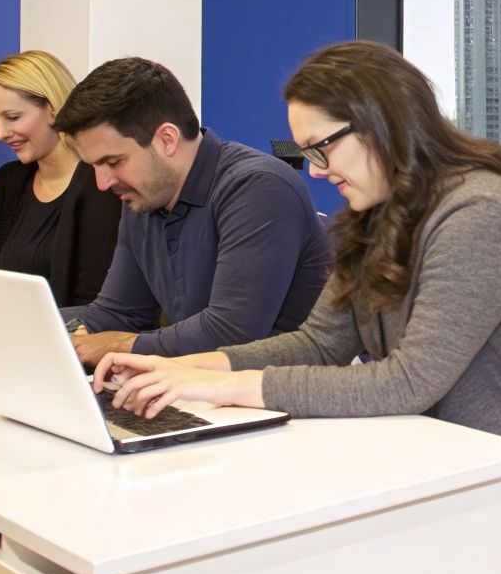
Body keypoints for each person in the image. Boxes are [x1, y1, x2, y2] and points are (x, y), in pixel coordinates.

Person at [94, 41, 501, 574]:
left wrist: (223, 388)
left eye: (321, 148)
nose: (315, 171)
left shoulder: (482, 213)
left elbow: (409, 383)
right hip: (457, 496)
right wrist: (186, 370)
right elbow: (319, 344)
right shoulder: (372, 217)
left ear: (383, 123)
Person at [52, 57, 331, 367]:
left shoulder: (259, 186)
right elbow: (118, 312)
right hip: (212, 393)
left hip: (291, 401)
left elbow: (231, 333)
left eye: (114, 162)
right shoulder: (144, 197)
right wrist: (20, 329)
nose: (103, 183)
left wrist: (121, 344)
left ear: (167, 139)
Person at [0, 50, 121, 308]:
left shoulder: (101, 184)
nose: (0, 133)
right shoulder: (8, 181)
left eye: (12, 117)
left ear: (54, 109)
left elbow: (96, 307)